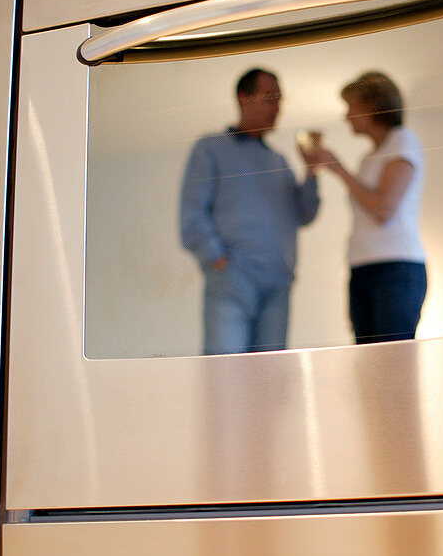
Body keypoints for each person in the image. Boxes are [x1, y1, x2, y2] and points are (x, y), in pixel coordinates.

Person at [179, 68, 320, 355]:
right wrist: (217, 259)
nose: (277, 108)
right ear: (244, 98)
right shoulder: (210, 148)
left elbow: (305, 213)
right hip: (233, 278)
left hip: (278, 286)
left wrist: (312, 171)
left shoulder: (279, 161)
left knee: (269, 381)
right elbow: (192, 214)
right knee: (225, 375)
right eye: (270, 98)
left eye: (280, 100)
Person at [307, 72, 427, 343]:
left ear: (373, 105)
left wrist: (338, 169)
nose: (346, 116)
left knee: (390, 364)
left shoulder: (402, 140)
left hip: (396, 269)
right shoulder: (370, 157)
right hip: (363, 267)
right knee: (368, 367)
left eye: (351, 106)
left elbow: (383, 210)